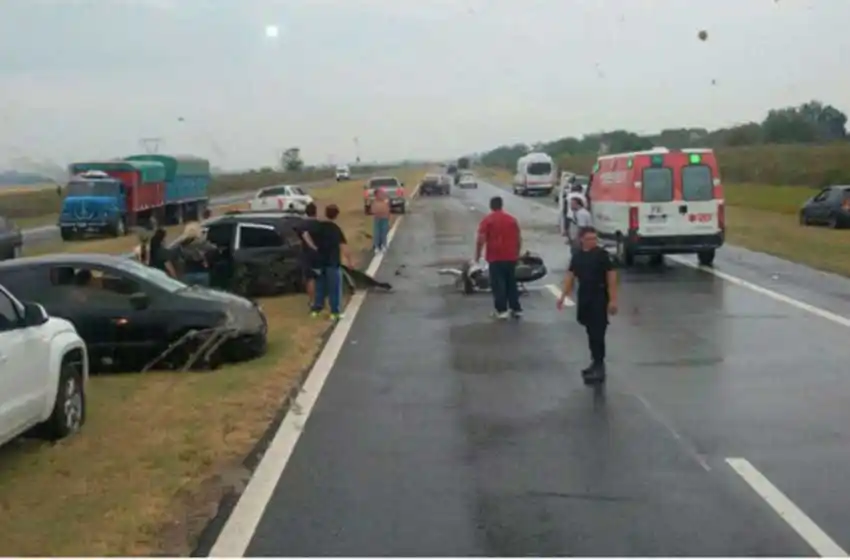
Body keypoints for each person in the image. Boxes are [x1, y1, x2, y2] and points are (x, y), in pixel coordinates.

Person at [556, 227, 618, 384]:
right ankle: (594, 362)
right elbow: (571, 276)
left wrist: (613, 300)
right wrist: (563, 295)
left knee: (598, 332)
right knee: (590, 331)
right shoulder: (577, 256)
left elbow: (611, 277)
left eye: (594, 239)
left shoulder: (602, 256)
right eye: (589, 239)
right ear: (581, 239)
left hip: (599, 295)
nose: (593, 242)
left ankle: (600, 366)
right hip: (585, 296)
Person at [475, 195, 522, 319]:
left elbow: (481, 239)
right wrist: (517, 253)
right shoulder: (512, 220)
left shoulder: (488, 220)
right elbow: (518, 239)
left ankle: (501, 310)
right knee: (511, 282)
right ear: (502, 205)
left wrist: (477, 255)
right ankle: (515, 308)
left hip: (495, 256)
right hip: (511, 256)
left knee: (498, 284)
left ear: (491, 206)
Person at [307, 204, 352, 321]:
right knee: (334, 289)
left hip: (320, 262)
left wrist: (313, 247)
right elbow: (343, 246)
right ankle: (334, 312)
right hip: (333, 262)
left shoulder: (317, 226)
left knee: (320, 287)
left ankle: (316, 310)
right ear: (336, 215)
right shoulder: (335, 229)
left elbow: (306, 234)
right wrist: (349, 261)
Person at [296, 202, 321, 307]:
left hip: (307, 255)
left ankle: (312, 301)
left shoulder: (301, 225)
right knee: (321, 278)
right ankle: (321, 300)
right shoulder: (320, 225)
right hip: (320, 254)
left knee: (310, 279)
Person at [176, 222, 216, 286]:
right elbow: (213, 248)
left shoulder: (183, 244)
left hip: (188, 272)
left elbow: (178, 255)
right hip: (202, 272)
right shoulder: (202, 242)